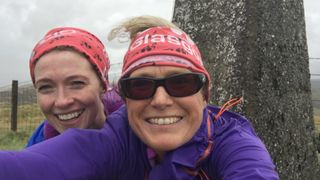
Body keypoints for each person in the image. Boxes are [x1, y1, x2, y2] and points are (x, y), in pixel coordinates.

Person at [0, 16, 279, 180]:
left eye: (180, 83)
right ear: (123, 96)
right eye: (141, 86)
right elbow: (31, 167)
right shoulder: (120, 136)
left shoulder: (231, 140)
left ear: (205, 93)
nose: (160, 99)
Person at [25, 27, 124, 147]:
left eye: (77, 83)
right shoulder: (38, 144)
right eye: (45, 87)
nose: (62, 102)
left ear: (103, 86)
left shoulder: (139, 137)